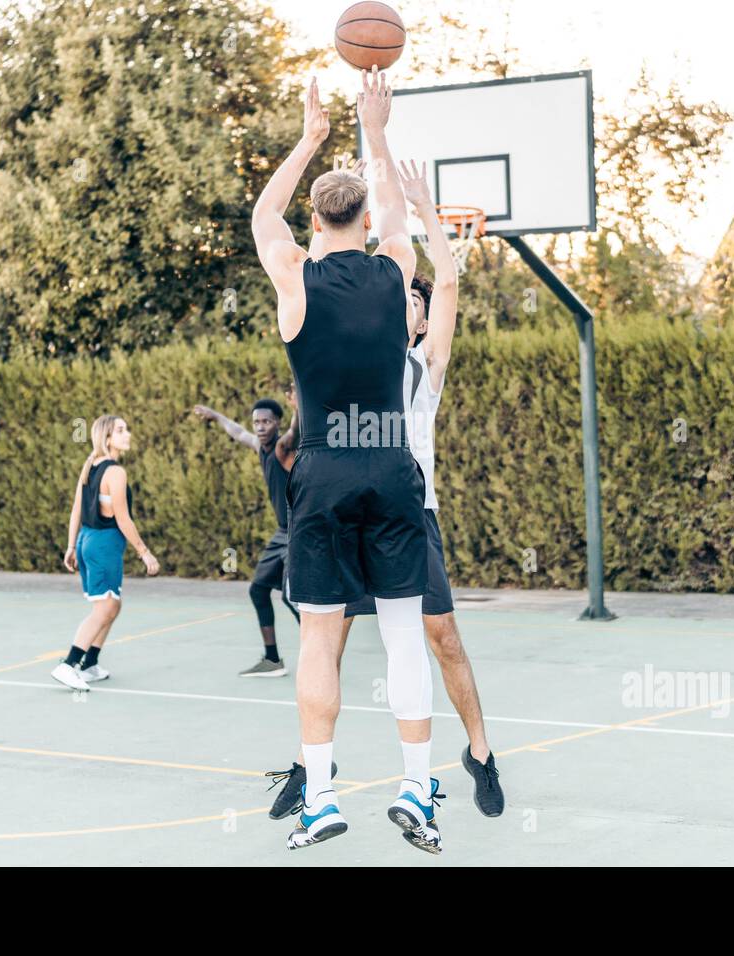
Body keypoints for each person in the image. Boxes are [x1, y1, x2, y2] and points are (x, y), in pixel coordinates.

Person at [267, 159, 505, 822]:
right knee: (329, 635)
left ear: (420, 319)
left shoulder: (425, 369)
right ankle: (316, 763)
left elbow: (445, 275)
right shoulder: (361, 332)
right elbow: (333, 256)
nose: (410, 304)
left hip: (407, 509)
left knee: (439, 635)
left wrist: (421, 206)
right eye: (407, 297)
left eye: (417, 303)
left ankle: (478, 754)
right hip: (370, 492)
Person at [252, 68, 442, 852]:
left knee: (320, 639)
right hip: (393, 466)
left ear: (315, 219)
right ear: (363, 217)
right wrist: (379, 127)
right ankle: (417, 788)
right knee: (403, 634)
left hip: (324, 469)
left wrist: (309, 136)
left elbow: (263, 213)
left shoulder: (293, 279)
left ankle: (322, 796)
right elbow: (398, 215)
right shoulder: (395, 267)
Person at [192, 394, 301, 677]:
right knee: (258, 589)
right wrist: (214, 414)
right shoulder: (259, 446)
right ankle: (273, 660)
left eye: (266, 421)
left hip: (300, 530)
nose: (260, 427)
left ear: (276, 423)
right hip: (282, 532)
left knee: (292, 596)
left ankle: (322, 654)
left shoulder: (281, 447)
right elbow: (238, 432)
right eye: (257, 422)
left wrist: (297, 409)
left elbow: (294, 432)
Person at [55, 414, 159, 691]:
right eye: (121, 430)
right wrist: (144, 552)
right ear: (108, 438)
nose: (128, 434)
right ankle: (68, 665)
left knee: (113, 604)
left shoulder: (89, 465)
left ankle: (89, 664)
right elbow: (123, 519)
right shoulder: (116, 472)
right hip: (104, 545)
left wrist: (70, 545)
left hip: (86, 541)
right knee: (103, 610)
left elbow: (76, 508)